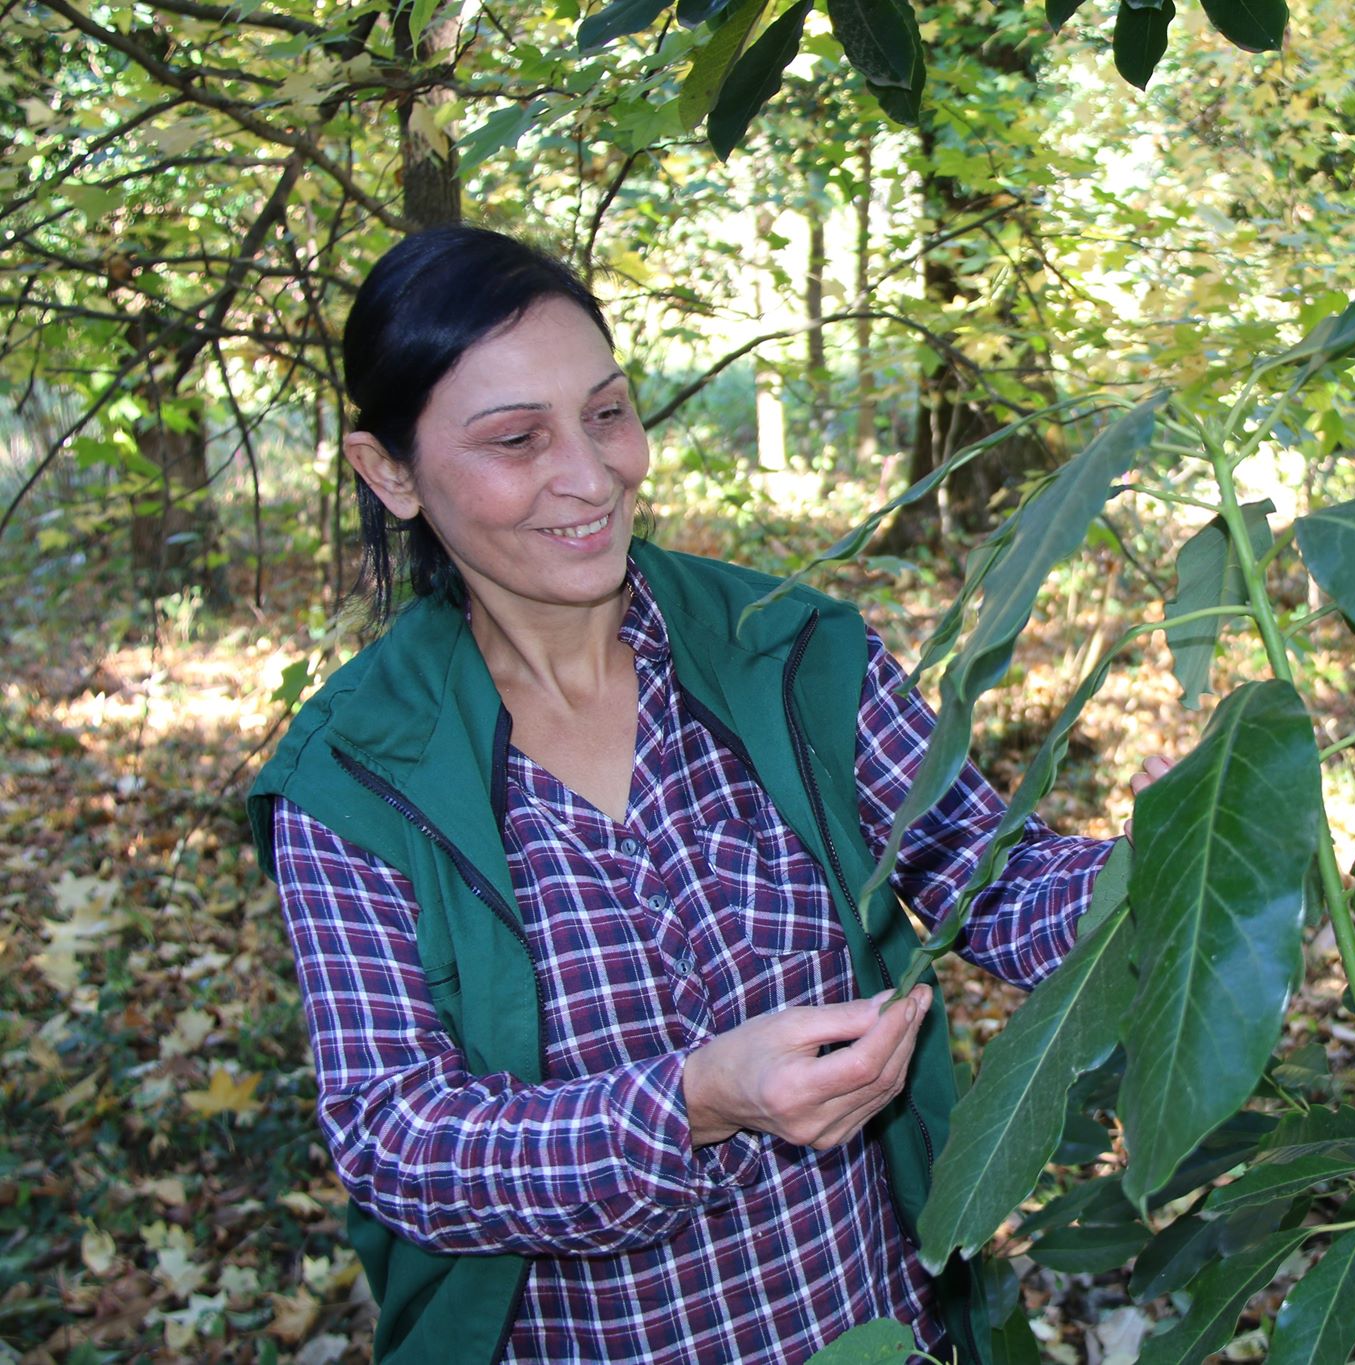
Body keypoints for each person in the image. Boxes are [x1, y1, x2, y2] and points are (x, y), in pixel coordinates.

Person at [247, 227, 1158, 1365]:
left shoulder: (786, 650)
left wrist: (1170, 862)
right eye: (515, 440)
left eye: (609, 413)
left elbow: (985, 876)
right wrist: (691, 1102)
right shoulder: (353, 782)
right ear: (388, 473)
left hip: (864, 1324)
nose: (590, 475)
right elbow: (400, 1143)